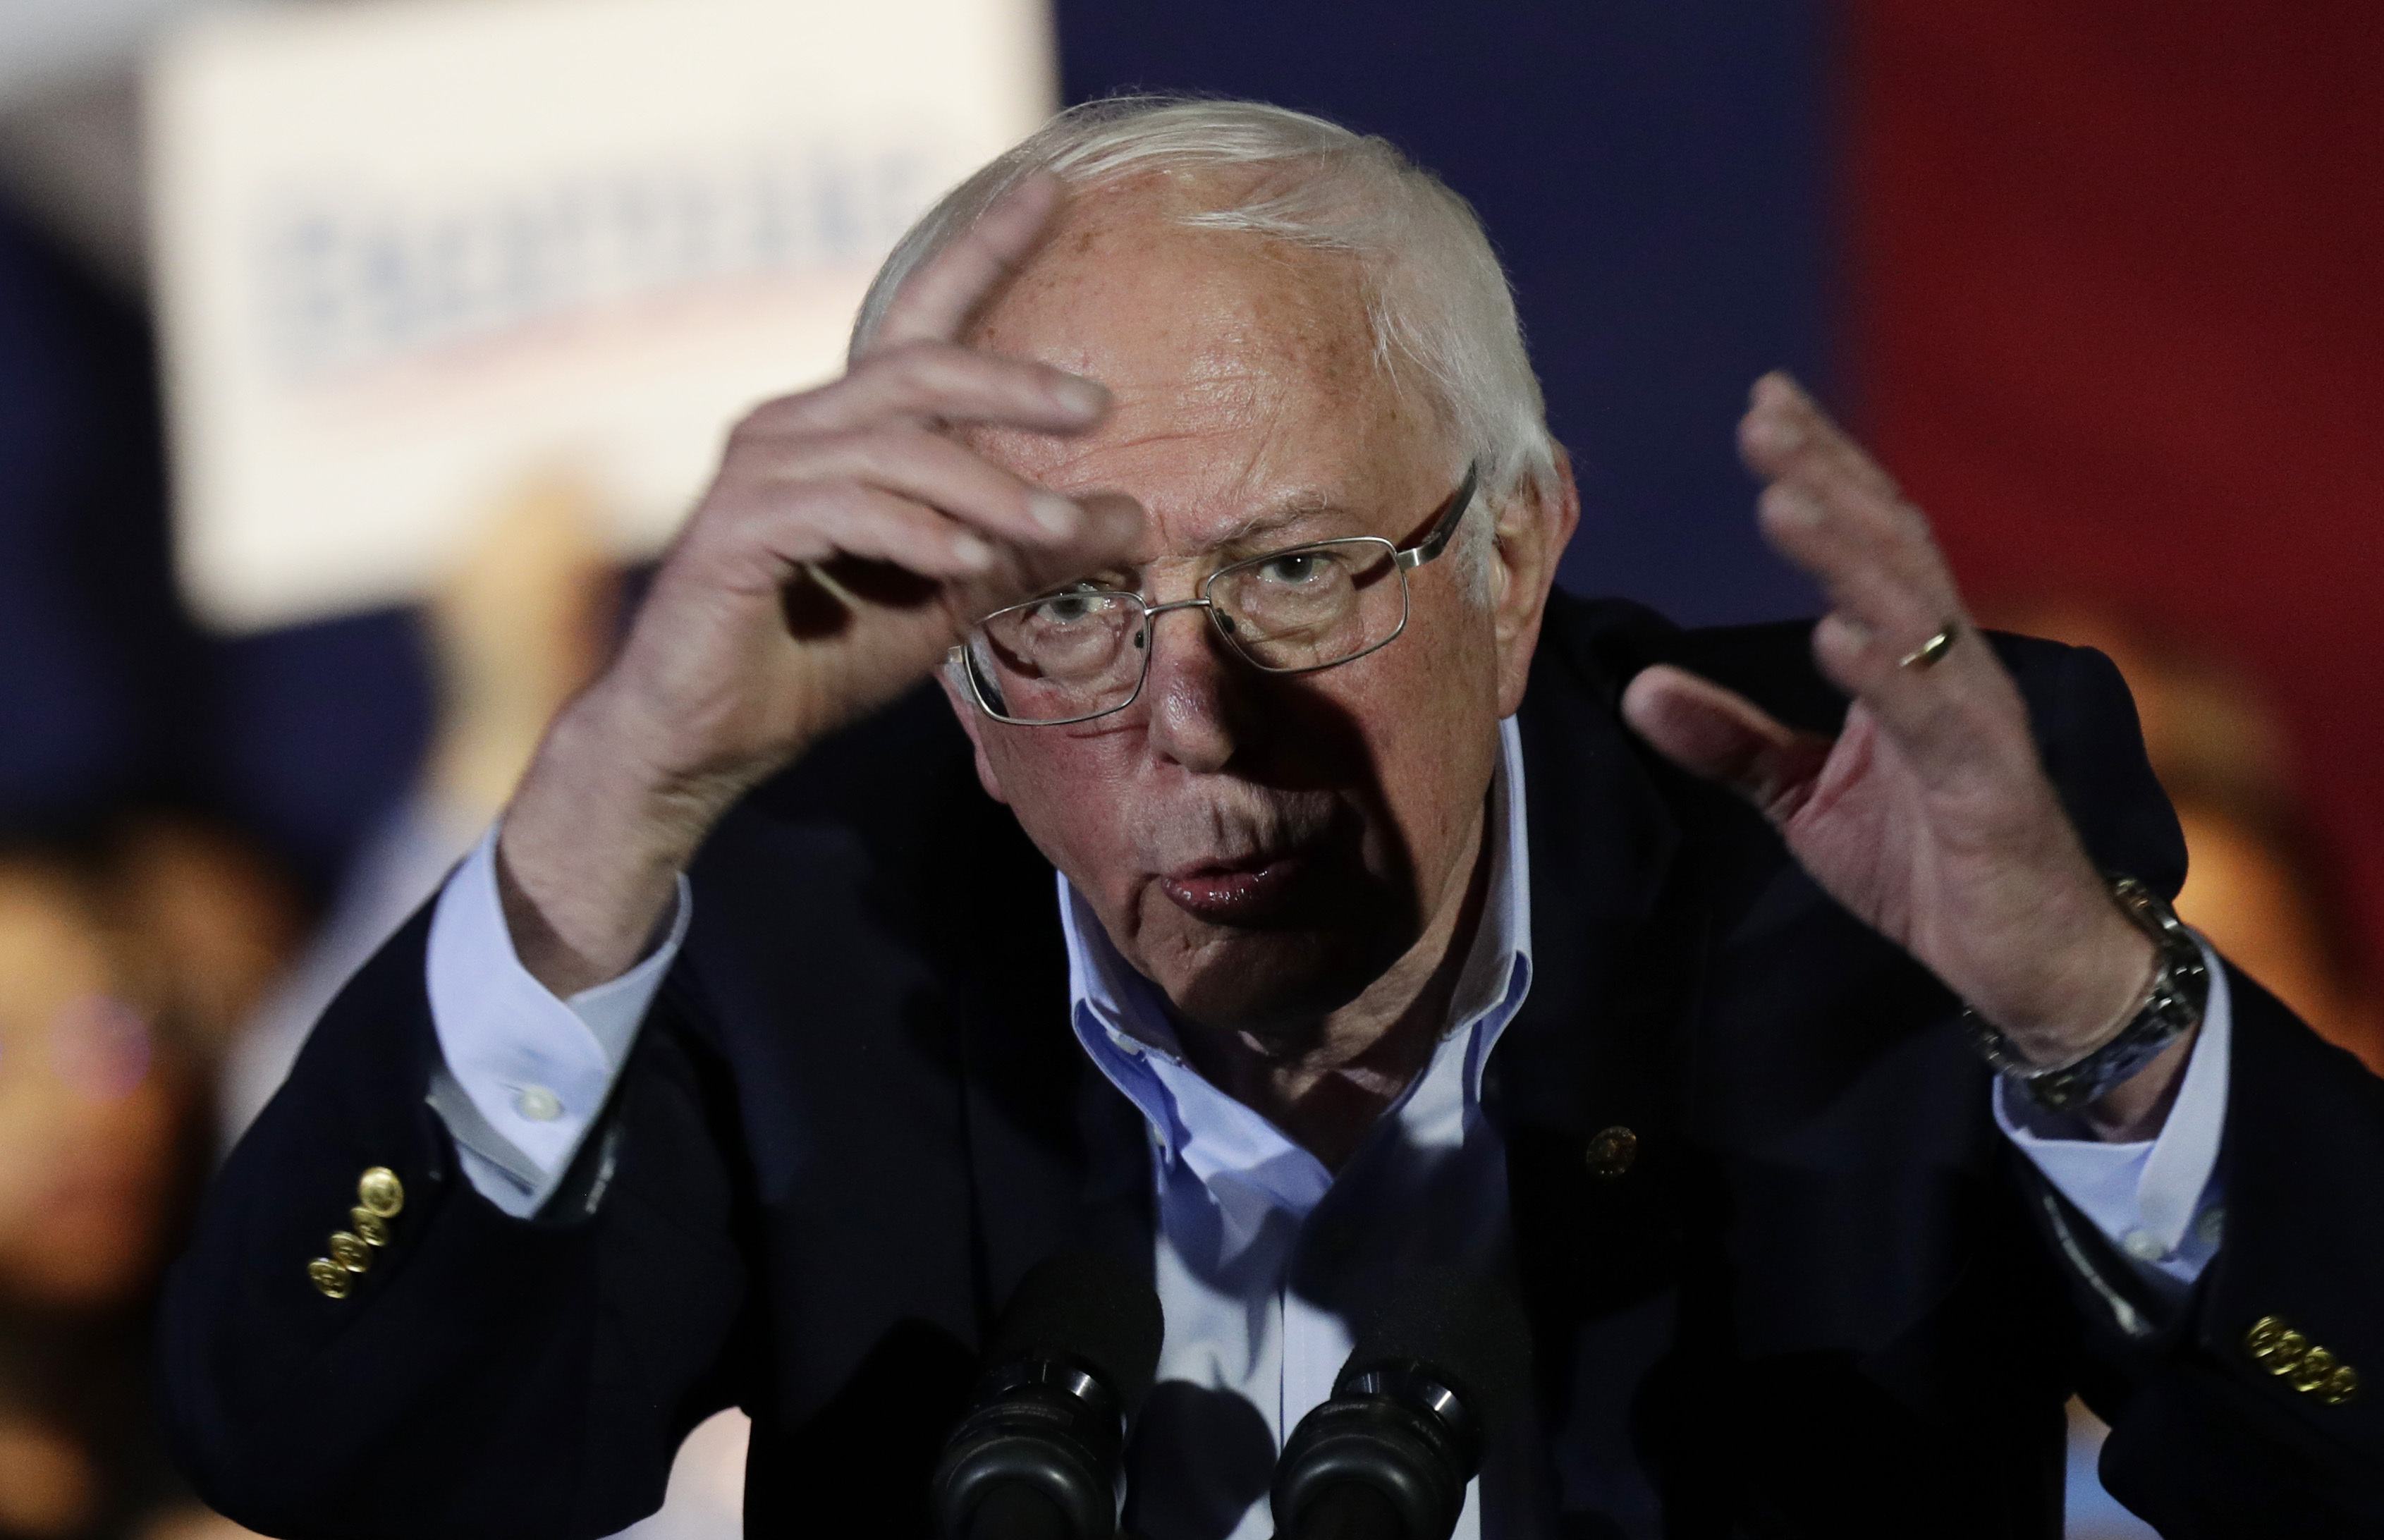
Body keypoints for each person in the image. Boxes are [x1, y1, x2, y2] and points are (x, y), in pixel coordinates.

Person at [160, 99, 2383, 1540]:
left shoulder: (1846, 847)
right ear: (945, 659)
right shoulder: (792, 904)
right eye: (1062, 607)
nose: (1194, 717)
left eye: (1301, 569)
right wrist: (604, 796)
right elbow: (322, 1451)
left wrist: (2100, 1025)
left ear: (1514, 562)